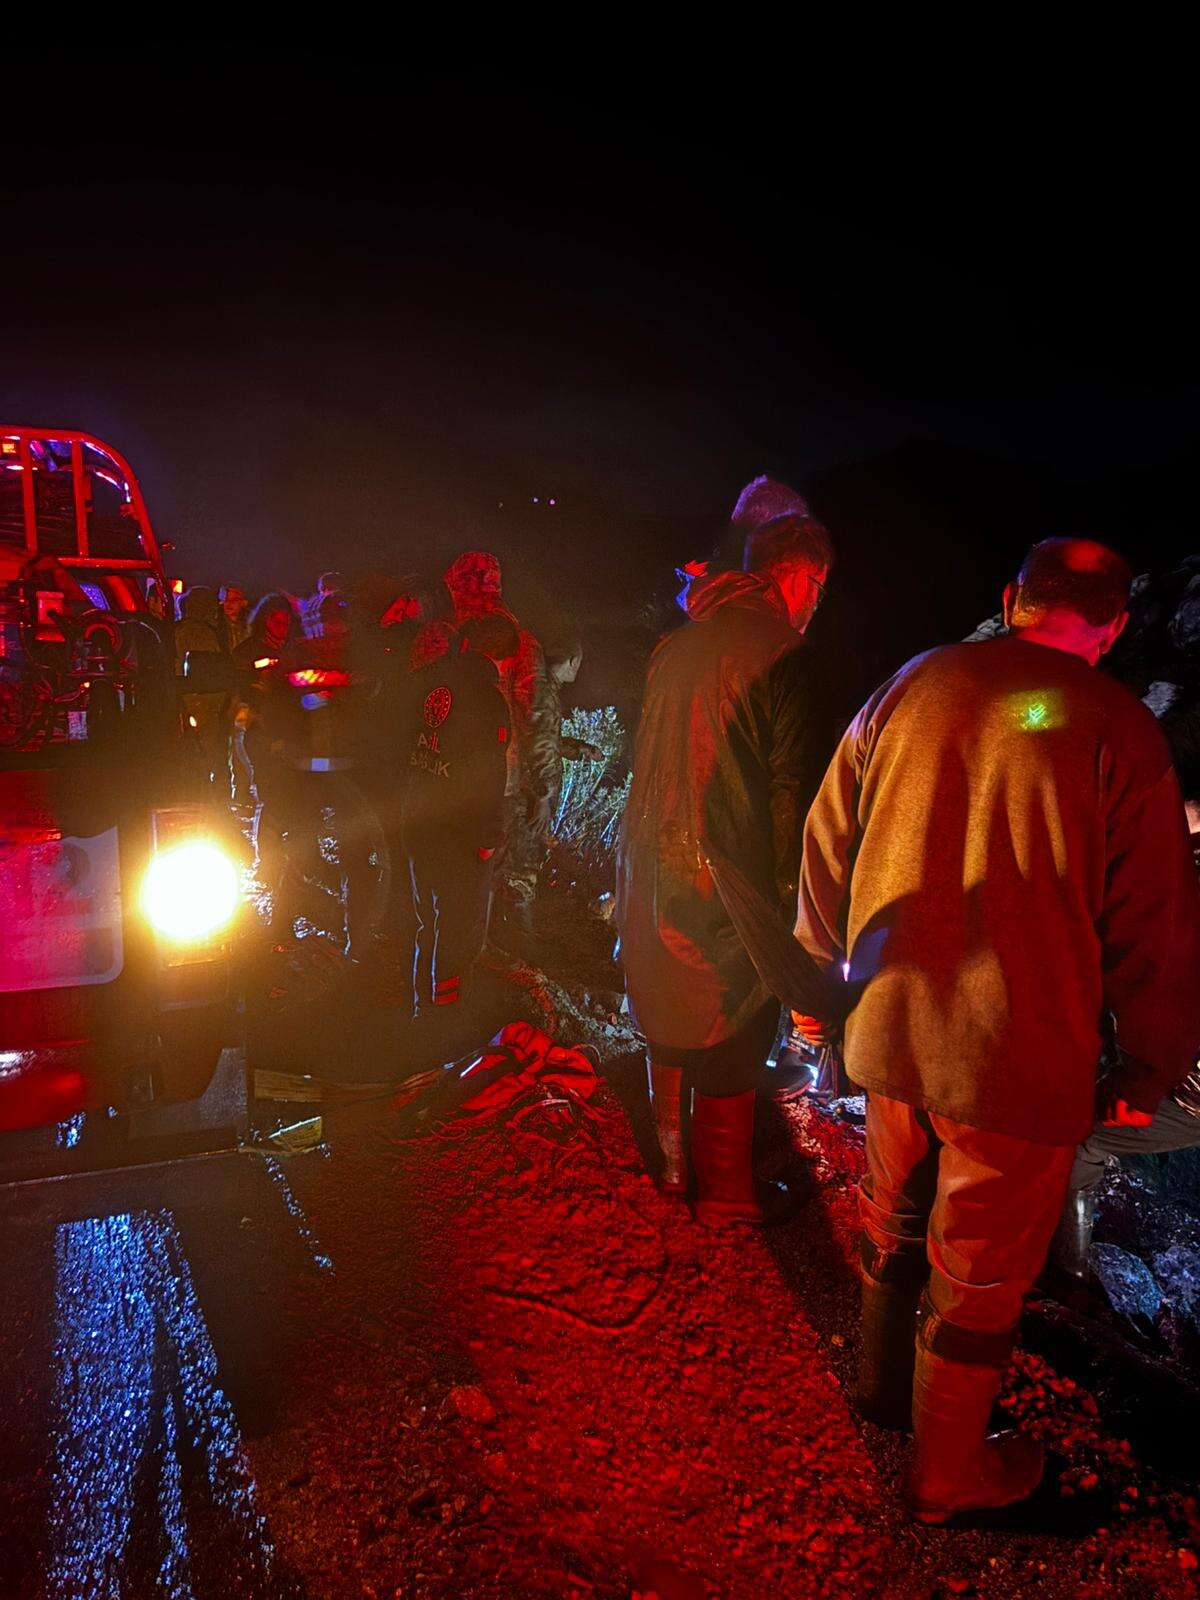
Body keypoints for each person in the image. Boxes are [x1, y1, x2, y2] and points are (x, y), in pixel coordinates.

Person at [793, 538, 1200, 1523]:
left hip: (890, 1028)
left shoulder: (911, 684)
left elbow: (825, 842)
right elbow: (1155, 927)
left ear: (1012, 599)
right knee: (978, 1282)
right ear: (1109, 624)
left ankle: (883, 1392)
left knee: (894, 1219)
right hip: (1014, 1056)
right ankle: (944, 1476)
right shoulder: (1119, 730)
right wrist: (1152, 1064)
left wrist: (814, 992)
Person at [617, 489, 833, 1226]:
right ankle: (729, 1201)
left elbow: (646, 763)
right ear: (798, 578)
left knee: (669, 1010)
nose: (816, 605)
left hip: (652, 861)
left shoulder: (677, 645)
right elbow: (790, 798)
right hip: (729, 876)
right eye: (819, 588)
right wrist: (798, 926)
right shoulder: (783, 654)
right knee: (735, 1028)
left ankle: (672, 1172)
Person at [1051, 706, 1200, 1279]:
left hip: (1187, 1087)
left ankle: (1070, 1272)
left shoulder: (1177, 879)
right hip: (1180, 1070)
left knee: (1077, 1137)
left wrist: (1136, 1084)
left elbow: (1166, 1000)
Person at [437, 551, 560, 954]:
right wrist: (544, 790)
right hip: (499, 785)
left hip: (442, 779)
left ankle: (460, 960)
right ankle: (513, 971)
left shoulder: (445, 637)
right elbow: (538, 716)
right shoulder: (516, 642)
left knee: (459, 880)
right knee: (515, 880)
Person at [401, 612, 516, 1018]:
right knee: (459, 928)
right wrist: (488, 839)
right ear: (501, 658)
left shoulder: (427, 681)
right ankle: (444, 1016)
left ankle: (421, 1005)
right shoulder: (488, 701)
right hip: (460, 833)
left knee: (425, 919)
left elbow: (402, 747)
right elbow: (489, 779)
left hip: (417, 819)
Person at [173, 584, 227, 786]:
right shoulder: (200, 633)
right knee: (205, 753)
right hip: (201, 701)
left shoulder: (177, 629)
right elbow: (208, 671)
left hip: (191, 699)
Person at [218, 584, 251, 651]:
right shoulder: (217, 624)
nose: (228, 603)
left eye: (234, 599)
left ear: (244, 602)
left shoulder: (252, 625)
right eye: (225, 599)